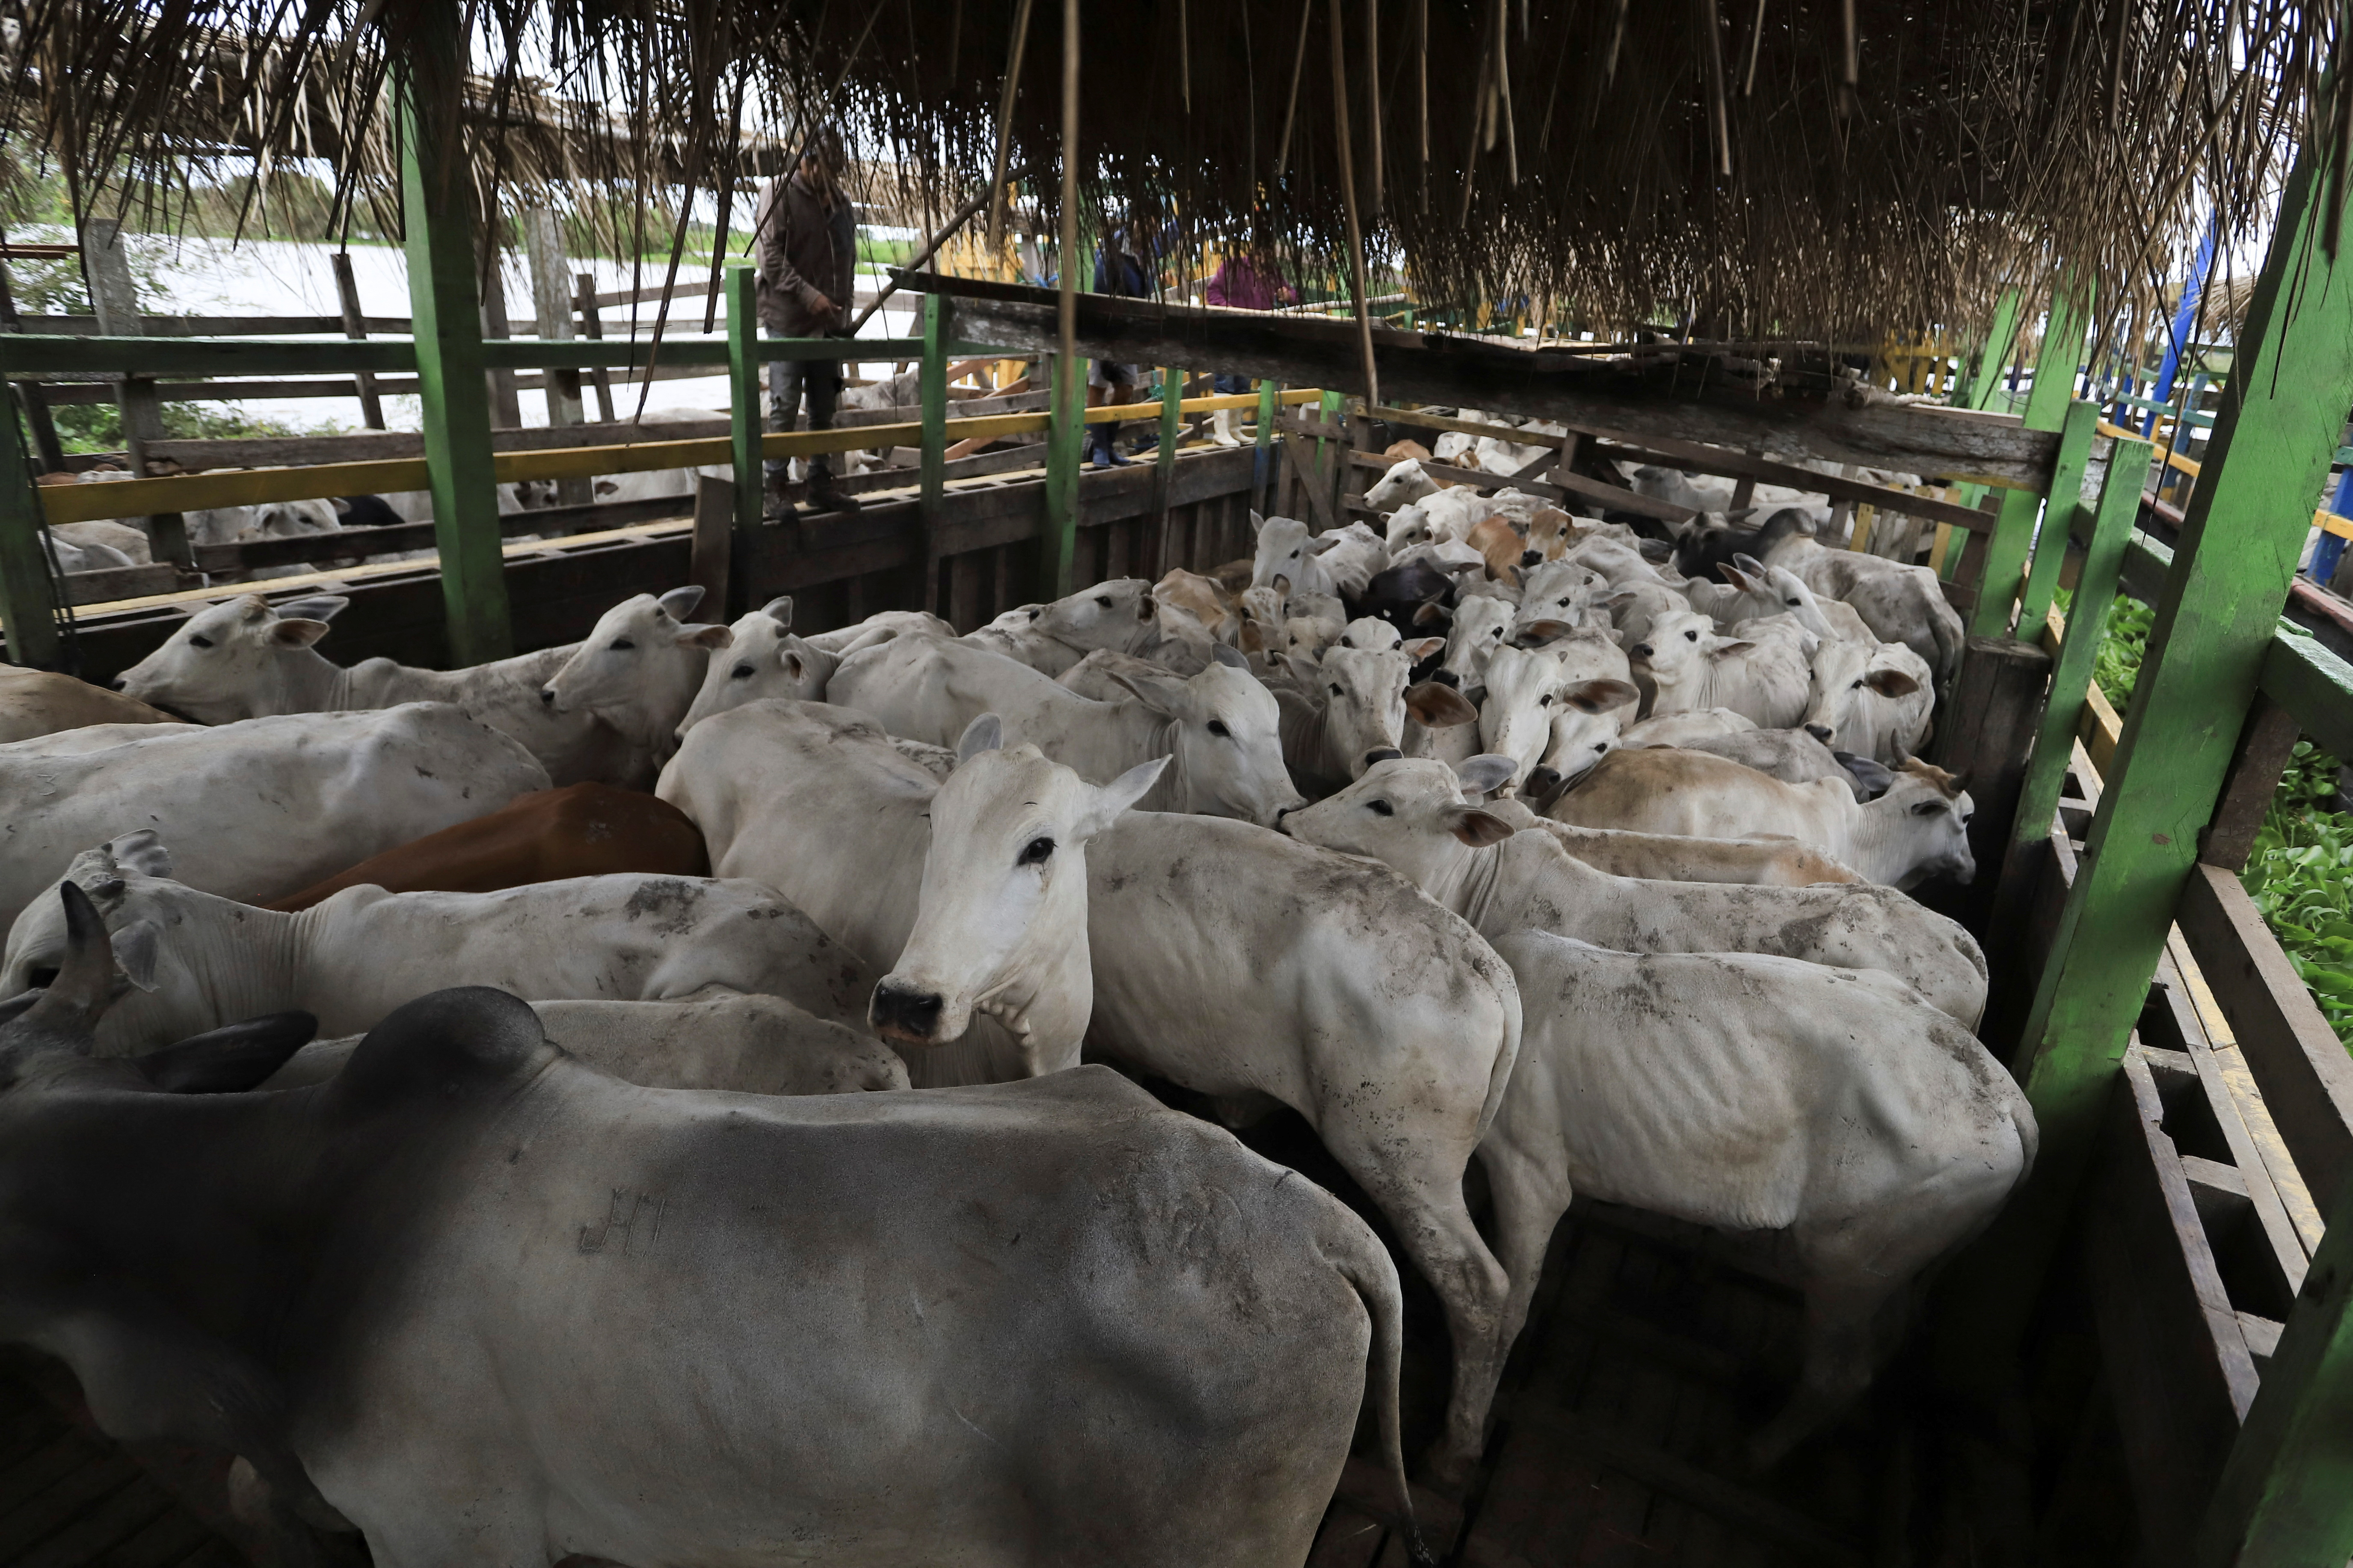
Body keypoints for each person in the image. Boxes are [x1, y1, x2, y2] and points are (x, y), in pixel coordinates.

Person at [753, 125, 861, 513]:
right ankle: (775, 489)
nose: (830, 177)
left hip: (828, 325)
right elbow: (771, 258)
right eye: (825, 168)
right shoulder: (778, 194)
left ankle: (820, 482)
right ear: (808, 161)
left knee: (824, 405)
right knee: (784, 403)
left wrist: (842, 306)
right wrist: (808, 295)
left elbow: (846, 257)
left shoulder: (838, 202)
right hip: (789, 322)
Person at [1203, 245, 1298, 446]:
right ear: (1253, 248)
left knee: (1244, 381)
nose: (1267, 254)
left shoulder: (1274, 273)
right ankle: (1221, 433)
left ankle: (1235, 429)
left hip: (1255, 335)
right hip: (1230, 331)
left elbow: (1292, 294)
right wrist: (1229, 309)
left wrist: (1287, 295)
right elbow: (1213, 292)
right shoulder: (1233, 266)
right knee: (1225, 379)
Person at [1086, 218, 1158, 467]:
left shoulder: (1144, 254)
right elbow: (1100, 293)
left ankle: (1104, 444)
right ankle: (1101, 450)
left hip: (1130, 331)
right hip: (1105, 328)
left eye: (1155, 226)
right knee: (1098, 384)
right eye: (1148, 225)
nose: (1152, 230)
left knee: (1126, 386)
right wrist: (1104, 342)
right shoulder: (1110, 252)